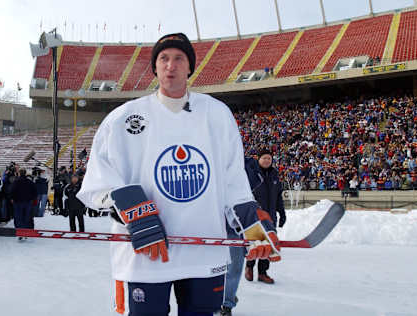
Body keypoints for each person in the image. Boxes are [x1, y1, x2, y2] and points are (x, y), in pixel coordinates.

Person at [77, 33, 281, 316]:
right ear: (155, 67)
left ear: (189, 68)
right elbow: (96, 184)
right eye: (163, 58)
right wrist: (130, 207)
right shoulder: (124, 118)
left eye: (178, 58)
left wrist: (254, 227)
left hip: (204, 254)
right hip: (145, 255)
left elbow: (233, 181)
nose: (170, 65)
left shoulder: (217, 114)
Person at [221, 157, 264, 316]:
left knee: (233, 268)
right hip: (212, 225)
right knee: (211, 268)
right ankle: (219, 296)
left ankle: (227, 302)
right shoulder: (209, 157)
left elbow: (254, 181)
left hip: (237, 225)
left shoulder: (247, 162)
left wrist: (237, 170)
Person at [244, 150, 286, 285]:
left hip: (270, 216)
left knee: (268, 245)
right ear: (258, 159)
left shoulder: (274, 175)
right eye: (264, 158)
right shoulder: (253, 174)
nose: (267, 160)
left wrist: (282, 213)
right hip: (256, 216)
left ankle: (263, 273)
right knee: (255, 243)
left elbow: (278, 196)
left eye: (269, 158)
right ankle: (249, 267)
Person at [11, 169, 37, 240]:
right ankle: (26, 231)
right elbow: (35, 191)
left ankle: (20, 232)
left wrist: (12, 198)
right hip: (28, 202)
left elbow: (12, 191)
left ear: (19, 173)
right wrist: (32, 199)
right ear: (25, 173)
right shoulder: (30, 182)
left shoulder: (16, 182)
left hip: (18, 202)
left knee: (19, 217)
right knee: (27, 216)